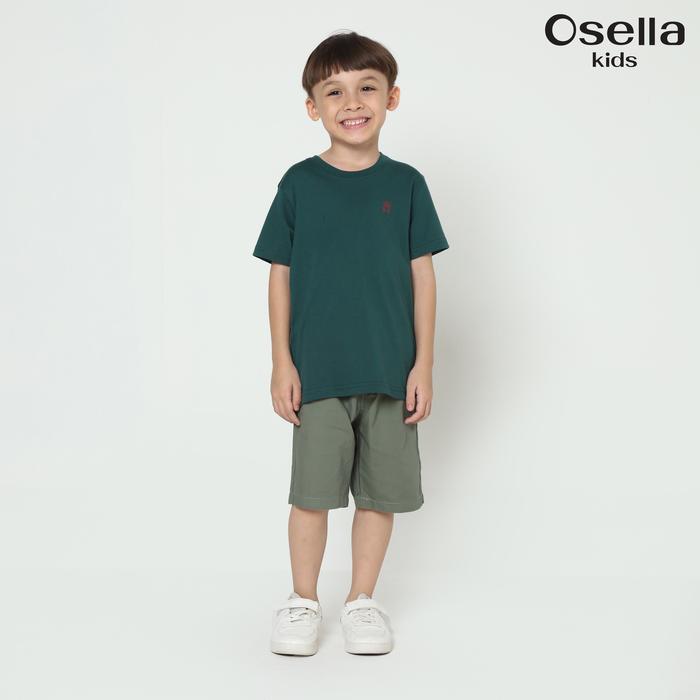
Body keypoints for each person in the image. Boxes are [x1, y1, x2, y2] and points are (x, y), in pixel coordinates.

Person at [252, 30, 449, 656]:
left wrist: (423, 364)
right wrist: (282, 362)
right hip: (318, 373)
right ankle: (302, 600)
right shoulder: (299, 183)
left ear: (392, 97)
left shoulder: (407, 183)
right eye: (334, 92)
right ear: (313, 107)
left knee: (379, 494)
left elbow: (423, 277)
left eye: (367, 87)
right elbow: (279, 274)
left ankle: (362, 600)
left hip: (391, 371)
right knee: (311, 496)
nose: (353, 102)